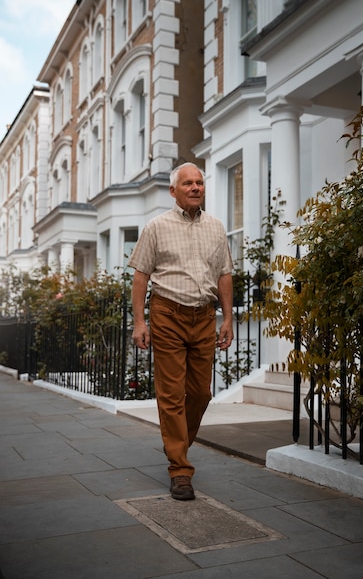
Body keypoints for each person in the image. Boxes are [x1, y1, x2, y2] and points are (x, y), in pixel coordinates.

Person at [128, 162, 234, 501]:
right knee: (171, 394)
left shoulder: (216, 228)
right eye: (187, 183)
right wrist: (140, 321)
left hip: (204, 316)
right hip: (167, 313)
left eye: (199, 182)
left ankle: (176, 445)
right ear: (173, 191)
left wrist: (228, 318)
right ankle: (180, 469)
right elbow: (141, 276)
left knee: (201, 393)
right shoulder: (157, 226)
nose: (195, 187)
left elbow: (224, 275)